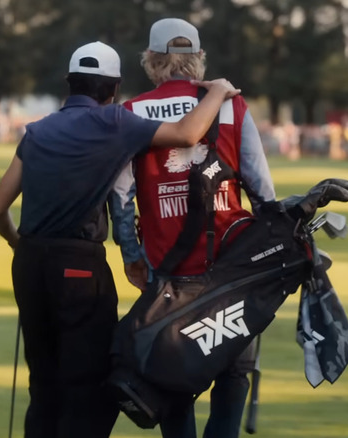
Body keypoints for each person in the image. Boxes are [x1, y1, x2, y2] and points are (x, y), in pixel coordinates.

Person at [0, 41, 241, 438]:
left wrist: (17, 243)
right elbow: (188, 134)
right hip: (79, 267)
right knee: (88, 389)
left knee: (44, 385)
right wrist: (219, 91)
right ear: (115, 89)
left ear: (69, 84)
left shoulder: (37, 131)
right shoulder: (114, 123)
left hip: (30, 264)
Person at [110, 18, 277, 438]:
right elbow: (262, 191)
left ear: (152, 60)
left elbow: (119, 196)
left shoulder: (132, 112)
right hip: (233, 267)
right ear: (198, 60)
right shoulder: (232, 105)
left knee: (174, 382)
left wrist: (132, 256)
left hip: (167, 271)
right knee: (233, 376)